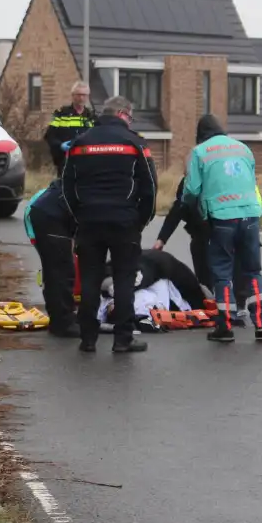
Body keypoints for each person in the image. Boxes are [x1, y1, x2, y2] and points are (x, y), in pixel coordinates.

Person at [63, 96, 157, 353]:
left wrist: (77, 217)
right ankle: (122, 339)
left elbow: (67, 186)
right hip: (125, 222)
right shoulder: (135, 143)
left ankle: (88, 339)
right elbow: (150, 188)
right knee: (124, 280)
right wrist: (141, 221)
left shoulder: (79, 143)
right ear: (124, 114)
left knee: (91, 279)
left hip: (89, 222)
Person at [182, 114, 262, 343]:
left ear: (200, 134)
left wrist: (190, 207)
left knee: (222, 272)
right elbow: (252, 181)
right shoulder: (243, 149)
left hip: (222, 218)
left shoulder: (200, 152)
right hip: (250, 215)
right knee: (253, 270)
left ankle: (225, 326)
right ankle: (261, 324)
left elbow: (191, 189)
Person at [23, 178, 80, 338]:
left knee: (58, 267)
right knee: (61, 269)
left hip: (46, 210)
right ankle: (62, 323)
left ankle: (61, 319)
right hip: (46, 215)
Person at [44, 81, 97, 175]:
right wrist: (60, 145)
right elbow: (50, 135)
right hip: (65, 160)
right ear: (73, 96)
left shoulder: (91, 116)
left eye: (84, 95)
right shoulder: (61, 114)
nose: (81, 98)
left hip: (87, 161)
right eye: (79, 95)